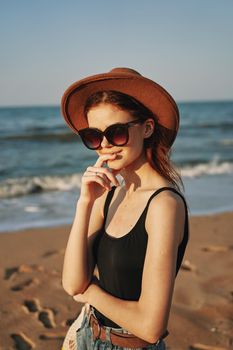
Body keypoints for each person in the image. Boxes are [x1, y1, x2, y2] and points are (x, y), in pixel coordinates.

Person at [61, 67, 189, 350]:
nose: (105, 145)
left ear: (147, 128)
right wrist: (84, 203)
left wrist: (91, 292)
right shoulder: (107, 196)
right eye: (94, 136)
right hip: (86, 335)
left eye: (116, 133)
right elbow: (72, 283)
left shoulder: (164, 205)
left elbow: (151, 328)